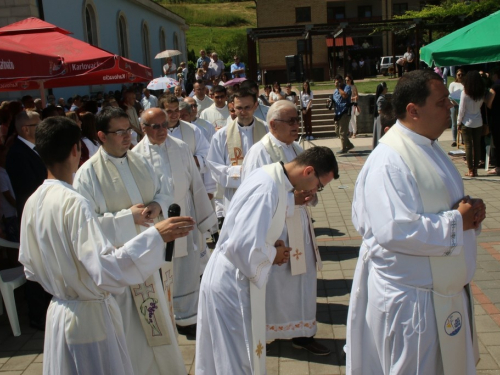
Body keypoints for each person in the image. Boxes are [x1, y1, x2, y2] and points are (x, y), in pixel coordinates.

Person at [19, 116, 194, 375]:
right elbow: (105, 270)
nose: (126, 136)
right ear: (77, 150)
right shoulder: (76, 197)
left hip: (60, 312)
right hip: (93, 311)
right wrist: (156, 235)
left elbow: (30, 268)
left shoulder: (33, 201)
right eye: (119, 131)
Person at [345, 70, 484, 375]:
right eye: (442, 101)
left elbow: (444, 205)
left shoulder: (430, 147)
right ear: (413, 110)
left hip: (440, 292)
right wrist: (457, 223)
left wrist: (471, 212)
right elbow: (395, 230)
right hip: (413, 303)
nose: (450, 106)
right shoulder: (389, 160)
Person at [196, 146, 338, 374]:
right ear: (309, 171)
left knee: (235, 355)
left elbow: (257, 225)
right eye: (319, 185)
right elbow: (241, 245)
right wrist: (274, 255)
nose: (315, 191)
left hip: (236, 274)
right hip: (232, 281)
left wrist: (271, 245)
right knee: (236, 358)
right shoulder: (268, 188)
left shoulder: (272, 176)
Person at [73, 107, 187, 375]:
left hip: (149, 259)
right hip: (119, 267)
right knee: (131, 331)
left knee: (156, 320)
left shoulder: (139, 160)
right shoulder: (87, 174)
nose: (127, 136)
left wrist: (158, 205)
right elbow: (85, 227)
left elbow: (164, 189)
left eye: (129, 130)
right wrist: (128, 218)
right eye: (120, 131)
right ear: (101, 135)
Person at [242, 100, 338, 356]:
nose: (297, 125)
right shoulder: (260, 152)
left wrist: (307, 196)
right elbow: (252, 196)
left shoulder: (296, 148)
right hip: (275, 231)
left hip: (299, 227)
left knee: (302, 281)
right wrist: (290, 199)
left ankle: (302, 333)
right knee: (276, 284)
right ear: (273, 124)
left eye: (297, 119)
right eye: (291, 121)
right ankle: (269, 334)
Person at [134, 108, 217, 337]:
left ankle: (188, 317)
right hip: (158, 225)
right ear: (143, 128)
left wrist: (206, 220)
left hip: (184, 219)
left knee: (187, 271)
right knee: (161, 272)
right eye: (156, 126)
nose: (163, 130)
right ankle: (164, 315)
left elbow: (196, 186)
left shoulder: (181, 147)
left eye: (165, 125)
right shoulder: (136, 155)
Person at [6, 110, 50, 330]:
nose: (41, 130)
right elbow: (28, 188)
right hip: (33, 216)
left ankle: (43, 311)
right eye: (37, 126)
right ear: (25, 129)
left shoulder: (32, 149)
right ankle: (37, 316)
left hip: (41, 214)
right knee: (35, 265)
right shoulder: (18, 153)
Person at [207, 89, 268, 220]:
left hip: (264, 192)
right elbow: (214, 167)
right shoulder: (221, 135)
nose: (243, 112)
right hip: (235, 194)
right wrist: (243, 172)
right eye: (239, 108)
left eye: (247, 107)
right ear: (233, 107)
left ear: (256, 106)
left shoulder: (268, 131)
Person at [458, 70, 485, 177]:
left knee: (468, 146)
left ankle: (470, 170)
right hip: (478, 121)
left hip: (467, 122)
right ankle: (476, 169)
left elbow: (461, 109)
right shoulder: (481, 92)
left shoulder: (465, 93)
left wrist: (458, 122)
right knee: (477, 146)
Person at [330, 74, 354, 154]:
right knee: (337, 131)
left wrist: (339, 88)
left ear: (342, 81)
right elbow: (334, 99)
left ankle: (343, 148)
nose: (337, 83)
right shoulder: (335, 91)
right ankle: (349, 145)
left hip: (344, 111)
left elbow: (344, 96)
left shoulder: (346, 88)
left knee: (342, 131)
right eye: (336, 81)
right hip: (337, 113)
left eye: (339, 81)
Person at [449, 69, 464, 147]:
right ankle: (454, 140)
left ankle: (463, 140)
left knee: (462, 122)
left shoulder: (464, 84)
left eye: (462, 74)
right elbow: (450, 95)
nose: (460, 76)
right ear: (456, 75)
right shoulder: (452, 84)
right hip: (454, 105)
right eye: (459, 75)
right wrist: (454, 101)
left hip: (462, 105)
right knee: (454, 123)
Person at [372, 82, 387, 148]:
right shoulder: (381, 98)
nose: (387, 89)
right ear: (383, 89)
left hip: (380, 119)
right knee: (380, 134)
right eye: (386, 88)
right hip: (381, 119)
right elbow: (380, 110)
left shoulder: (382, 97)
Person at [345, 74, 359, 138]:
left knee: (352, 118)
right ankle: (350, 131)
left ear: (351, 80)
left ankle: (354, 132)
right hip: (346, 104)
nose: (346, 81)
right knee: (349, 118)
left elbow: (357, 96)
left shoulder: (353, 87)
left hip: (352, 104)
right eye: (346, 80)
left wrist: (352, 98)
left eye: (348, 80)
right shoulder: (345, 87)